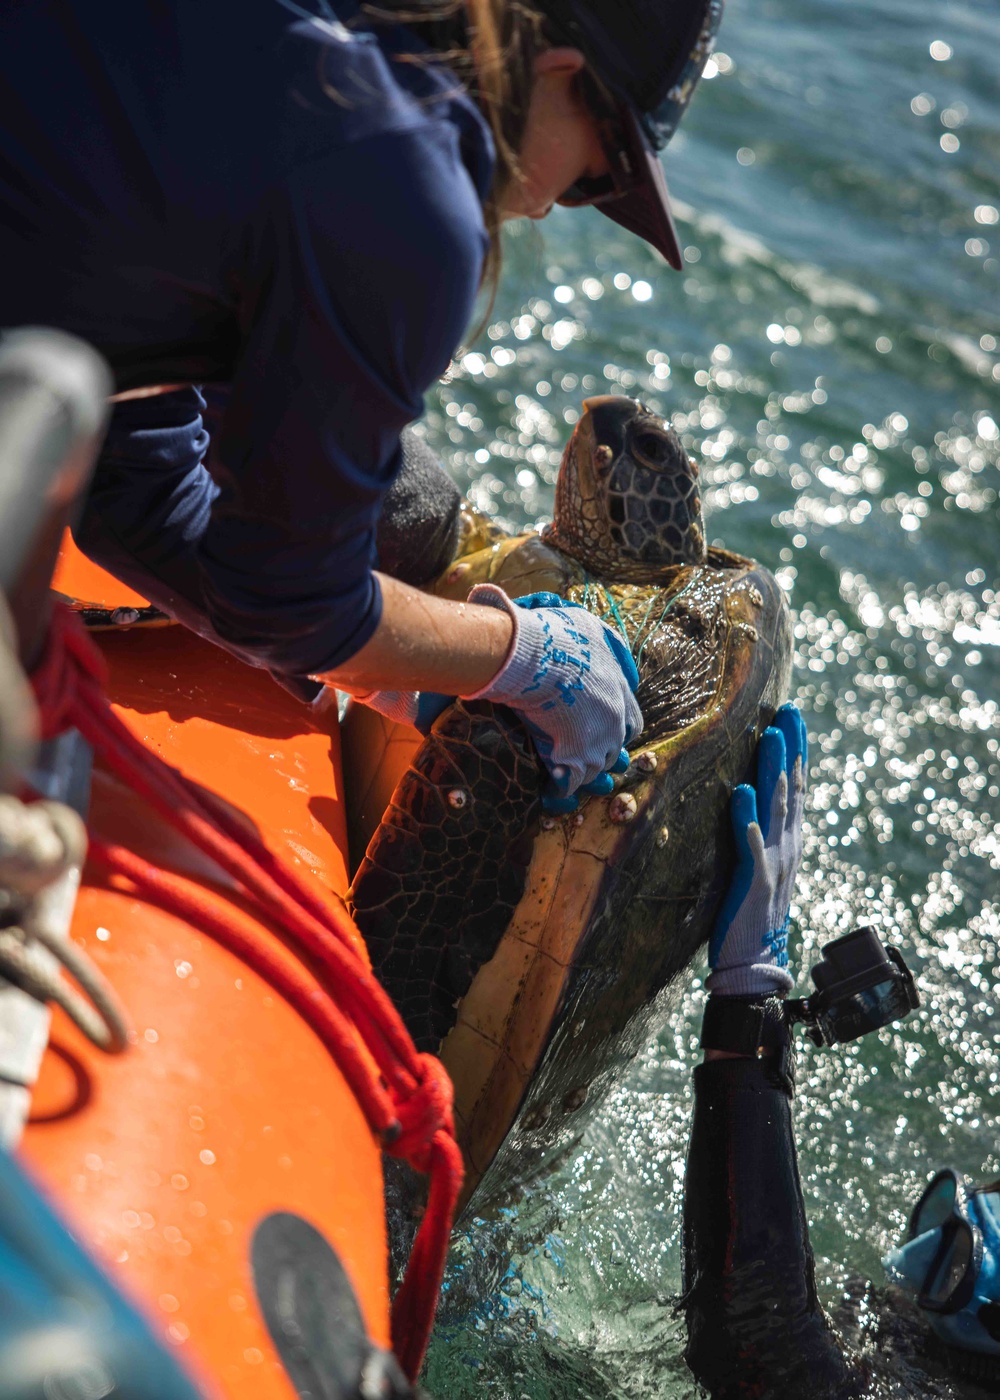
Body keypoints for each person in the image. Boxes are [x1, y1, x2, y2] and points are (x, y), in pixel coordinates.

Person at [0, 0, 722, 811]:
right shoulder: (407, 185)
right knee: (408, 503)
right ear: (558, 71)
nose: (558, 203)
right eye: (605, 174)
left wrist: (373, 651)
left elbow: (133, 479)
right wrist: (517, 655)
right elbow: (284, 598)